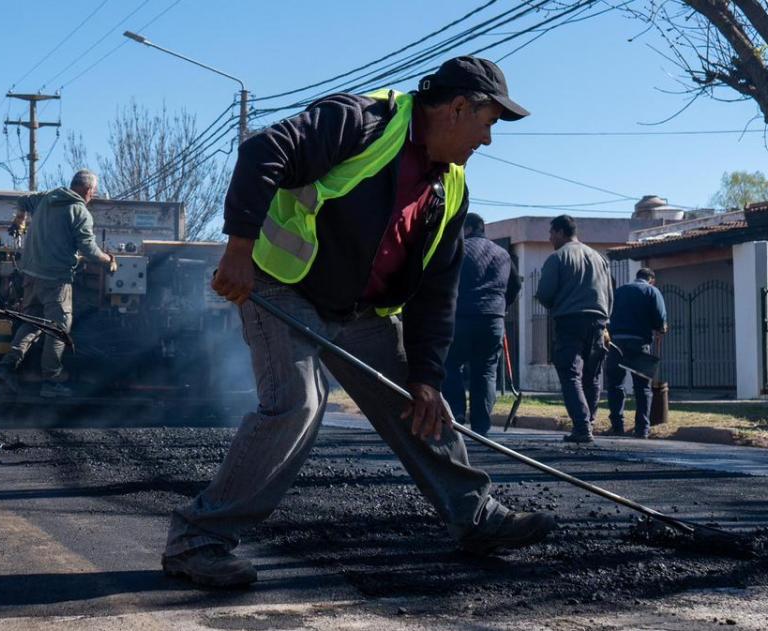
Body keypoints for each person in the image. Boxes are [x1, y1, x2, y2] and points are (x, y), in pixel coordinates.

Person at [162, 56, 556, 589]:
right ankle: (198, 540)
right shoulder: (364, 121)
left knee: (419, 406)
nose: (486, 140)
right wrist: (239, 247)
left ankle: (475, 516)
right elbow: (263, 150)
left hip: (359, 311)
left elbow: (436, 291)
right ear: (458, 108)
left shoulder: (453, 188)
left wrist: (426, 377)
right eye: (487, 123)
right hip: (282, 286)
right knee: (297, 404)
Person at [0, 169, 117, 398]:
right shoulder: (79, 211)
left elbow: (21, 199)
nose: (93, 195)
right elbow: (88, 250)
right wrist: (108, 260)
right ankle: (51, 381)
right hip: (56, 281)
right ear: (88, 190)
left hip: (30, 275)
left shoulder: (46, 198)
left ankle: (6, 368)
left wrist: (19, 220)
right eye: (94, 191)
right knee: (58, 328)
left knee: (31, 324)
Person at [535, 215, 614, 444]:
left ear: (560, 232)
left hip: (570, 321)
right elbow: (609, 293)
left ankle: (581, 425)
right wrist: (606, 320)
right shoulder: (599, 258)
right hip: (599, 321)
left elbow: (545, 293)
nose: (550, 239)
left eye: (551, 234)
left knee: (570, 373)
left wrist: (555, 304)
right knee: (592, 374)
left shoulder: (558, 258)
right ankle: (588, 421)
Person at [440, 212, 521, 435]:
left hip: (461, 317)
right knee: (485, 371)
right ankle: (481, 426)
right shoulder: (503, 254)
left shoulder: (459, 249)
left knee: (451, 365)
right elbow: (515, 285)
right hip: (492, 321)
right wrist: (501, 307)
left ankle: (455, 418)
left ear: (468, 229)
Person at [604, 268, 667, 438]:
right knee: (642, 387)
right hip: (639, 343)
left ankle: (617, 426)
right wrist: (661, 329)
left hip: (616, 342)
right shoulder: (652, 291)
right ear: (651, 279)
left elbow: (608, 313)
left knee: (615, 384)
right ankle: (642, 428)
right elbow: (660, 319)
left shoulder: (620, 291)